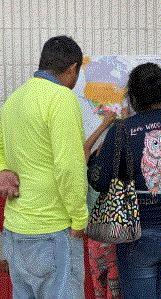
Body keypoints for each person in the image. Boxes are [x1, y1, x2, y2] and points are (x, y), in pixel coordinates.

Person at [87, 62, 161, 299]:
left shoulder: (122, 130)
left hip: (140, 231)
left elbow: (99, 181)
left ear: (133, 98)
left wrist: (93, 163)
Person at [0, 35, 88, 299]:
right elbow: (69, 167)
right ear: (72, 68)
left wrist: (3, 169)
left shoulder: (14, 99)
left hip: (16, 229)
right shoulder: (61, 98)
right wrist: (79, 217)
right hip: (53, 230)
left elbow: (2, 150)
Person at [84, 110, 125, 299]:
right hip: (118, 241)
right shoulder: (125, 169)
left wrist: (104, 125)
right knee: (115, 292)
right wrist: (125, 122)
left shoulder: (93, 165)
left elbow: (84, 149)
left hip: (94, 241)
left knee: (99, 290)